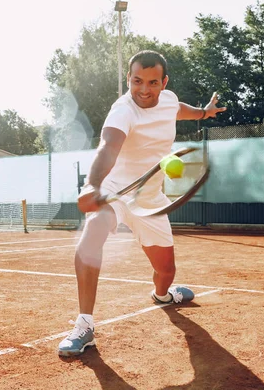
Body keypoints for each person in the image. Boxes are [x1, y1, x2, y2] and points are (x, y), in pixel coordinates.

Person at [58, 50, 226, 357]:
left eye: (152, 82)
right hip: (115, 193)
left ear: (164, 82)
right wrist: (92, 185)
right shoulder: (122, 111)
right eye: (137, 81)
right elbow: (107, 148)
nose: (144, 90)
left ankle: (163, 295)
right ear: (128, 80)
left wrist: (204, 112)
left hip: (150, 200)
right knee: (92, 235)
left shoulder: (169, 99)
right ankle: (84, 326)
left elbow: (179, 110)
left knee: (166, 271)